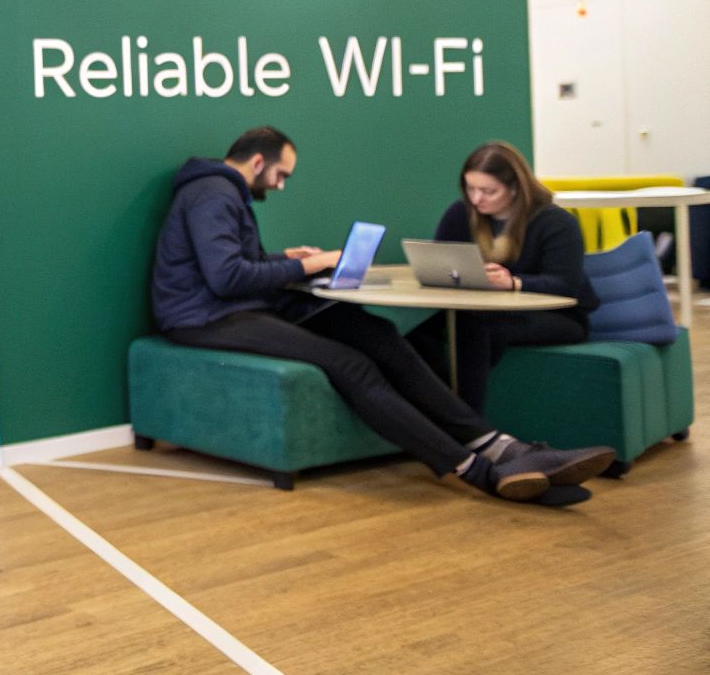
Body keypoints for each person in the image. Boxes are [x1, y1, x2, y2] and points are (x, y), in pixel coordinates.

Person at [150, 125, 613, 507]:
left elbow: (233, 263)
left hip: (238, 307)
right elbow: (226, 278)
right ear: (257, 162)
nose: (280, 184)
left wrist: (283, 259)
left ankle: (499, 446)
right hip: (205, 317)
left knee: (375, 331)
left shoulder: (223, 194)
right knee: (349, 363)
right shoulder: (213, 195)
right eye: (280, 174)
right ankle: (476, 469)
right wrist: (310, 265)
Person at [406, 141, 598, 411]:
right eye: (470, 188)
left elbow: (565, 284)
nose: (477, 199)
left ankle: (467, 420)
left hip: (556, 317)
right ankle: (437, 411)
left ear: (515, 188)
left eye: (488, 191)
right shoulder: (461, 214)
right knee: (415, 335)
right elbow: (444, 262)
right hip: (478, 312)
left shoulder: (555, 222)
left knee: (474, 330)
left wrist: (514, 283)